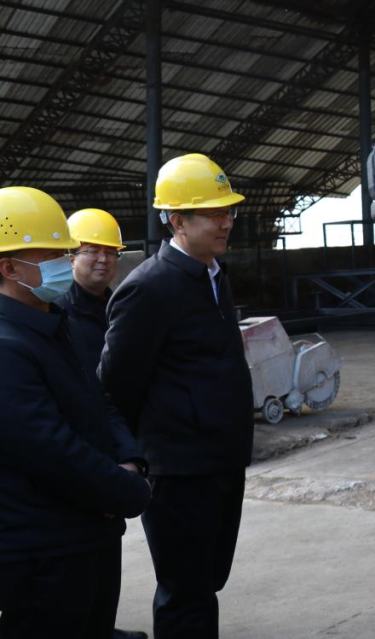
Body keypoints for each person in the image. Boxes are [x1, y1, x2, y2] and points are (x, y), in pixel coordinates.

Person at [99, 154, 253, 639]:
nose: (226, 222)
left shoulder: (213, 276)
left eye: (229, 211)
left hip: (220, 462)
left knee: (206, 583)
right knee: (184, 592)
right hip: (179, 471)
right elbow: (115, 387)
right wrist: (128, 462)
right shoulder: (149, 288)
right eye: (213, 213)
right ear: (177, 220)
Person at [0, 187, 151, 639]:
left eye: (64, 253)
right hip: (44, 550)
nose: (63, 264)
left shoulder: (53, 322)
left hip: (91, 533)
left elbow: (98, 399)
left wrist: (130, 459)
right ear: (8, 268)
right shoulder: (7, 346)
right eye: (51, 255)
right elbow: (50, 450)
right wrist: (125, 490)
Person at [56, 208, 148, 639]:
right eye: (91, 250)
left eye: (110, 252)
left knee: (108, 542)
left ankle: (102, 626)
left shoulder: (116, 305)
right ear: (70, 256)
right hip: (84, 447)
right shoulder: (58, 314)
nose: (102, 260)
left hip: (115, 439)